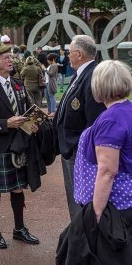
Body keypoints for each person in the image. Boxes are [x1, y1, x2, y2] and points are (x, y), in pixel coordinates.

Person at [0, 41, 40, 249]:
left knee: (19, 188)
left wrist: (34, 124)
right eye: (6, 58)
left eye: (11, 57)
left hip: (17, 145)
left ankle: (19, 229)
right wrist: (6, 124)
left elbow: (28, 111)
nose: (10, 60)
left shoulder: (19, 85)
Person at [69, 60, 132, 264]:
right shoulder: (127, 110)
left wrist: (96, 214)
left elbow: (107, 171)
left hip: (115, 206)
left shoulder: (110, 120)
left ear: (98, 87)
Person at [53, 35, 106, 220]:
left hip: (79, 149)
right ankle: (79, 234)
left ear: (79, 54)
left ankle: (82, 238)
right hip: (72, 147)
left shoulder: (91, 76)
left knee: (81, 198)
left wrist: (83, 146)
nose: (68, 56)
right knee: (75, 196)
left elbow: (94, 119)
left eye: (69, 53)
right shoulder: (80, 73)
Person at [42, 53, 58, 117]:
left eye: (48, 60)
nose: (47, 61)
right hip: (47, 83)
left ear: (52, 60)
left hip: (50, 84)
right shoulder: (50, 65)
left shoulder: (54, 65)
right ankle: (49, 110)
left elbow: (51, 74)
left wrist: (44, 69)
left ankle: (53, 111)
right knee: (48, 98)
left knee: (51, 97)